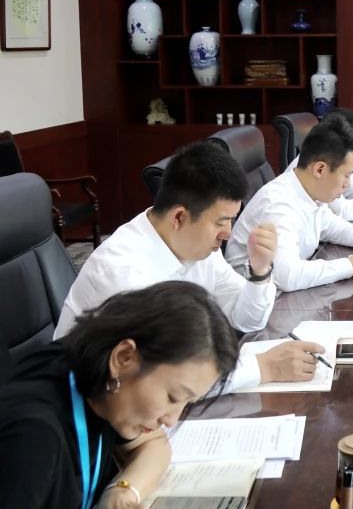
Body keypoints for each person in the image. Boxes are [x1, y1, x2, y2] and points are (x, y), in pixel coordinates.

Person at [56, 142, 321, 391]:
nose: (228, 233)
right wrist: (263, 367)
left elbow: (247, 319)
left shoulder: (196, 247)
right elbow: (160, 382)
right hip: (90, 408)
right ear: (179, 217)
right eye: (220, 222)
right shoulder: (124, 276)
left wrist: (260, 272)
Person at [0, 281, 239, 509]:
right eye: (173, 397)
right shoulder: (34, 435)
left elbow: (153, 444)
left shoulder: (105, 390)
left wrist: (121, 494)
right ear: (124, 357)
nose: (172, 419)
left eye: (187, 403)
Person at [227, 115, 353, 292]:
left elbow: (327, 224)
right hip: (255, 299)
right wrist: (351, 265)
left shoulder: (308, 191)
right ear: (320, 169)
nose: (348, 184)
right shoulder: (277, 204)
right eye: (346, 175)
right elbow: (287, 276)